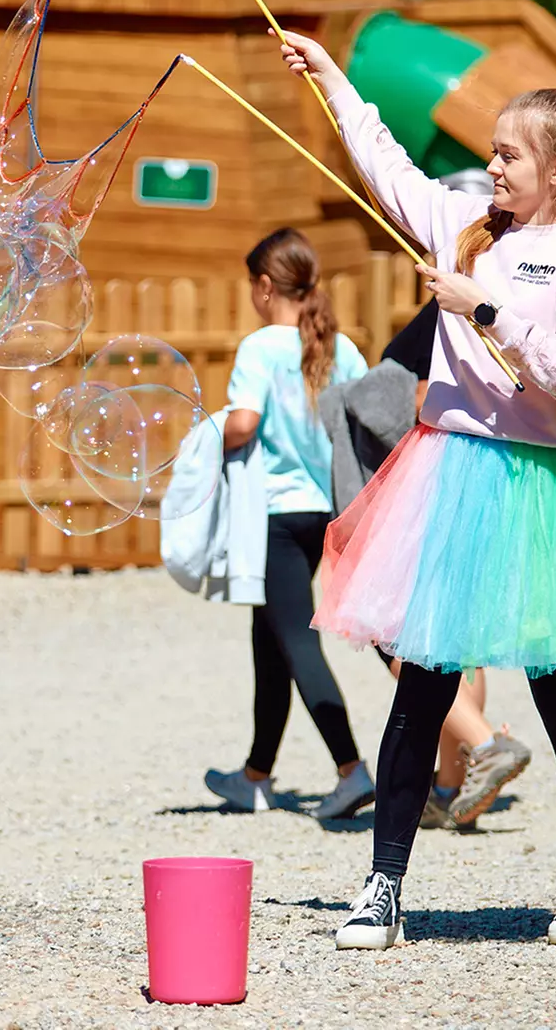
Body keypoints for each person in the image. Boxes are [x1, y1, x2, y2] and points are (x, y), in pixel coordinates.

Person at [279, 31, 556, 950]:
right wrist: (333, 80)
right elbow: (382, 163)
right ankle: (382, 886)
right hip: (454, 469)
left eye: (507, 155)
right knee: (421, 680)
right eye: (491, 153)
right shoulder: (465, 227)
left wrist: (483, 309)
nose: (490, 168)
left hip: (547, 483)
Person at [324, 300, 533, 832]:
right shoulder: (509, 305)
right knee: (459, 643)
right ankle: (448, 789)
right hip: (483, 487)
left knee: (397, 637)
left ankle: (486, 743)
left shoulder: (450, 311)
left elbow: (418, 401)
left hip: (425, 498)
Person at [203, 227, 379, 822]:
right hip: (329, 510)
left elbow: (244, 424)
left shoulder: (259, 348)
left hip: (276, 513)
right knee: (271, 638)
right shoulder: (344, 348)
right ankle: (254, 776)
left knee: (298, 640)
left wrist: (206, 434)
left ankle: (351, 770)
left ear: (262, 286)